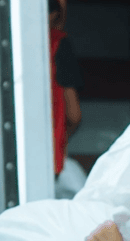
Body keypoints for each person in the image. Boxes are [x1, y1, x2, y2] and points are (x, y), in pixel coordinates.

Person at [49, 0, 83, 184]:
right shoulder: (58, 44)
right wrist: (61, 141)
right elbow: (74, 115)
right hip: (50, 158)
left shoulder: (13, 47)